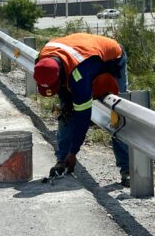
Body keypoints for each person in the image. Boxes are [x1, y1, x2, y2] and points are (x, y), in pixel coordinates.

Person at [33, 33, 130, 186]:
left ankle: (128, 170)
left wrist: (74, 152)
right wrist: (66, 102)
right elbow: (65, 96)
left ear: (59, 77)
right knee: (66, 112)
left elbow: (83, 116)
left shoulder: (79, 74)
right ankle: (61, 161)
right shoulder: (42, 61)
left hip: (111, 57)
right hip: (81, 54)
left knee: (119, 114)